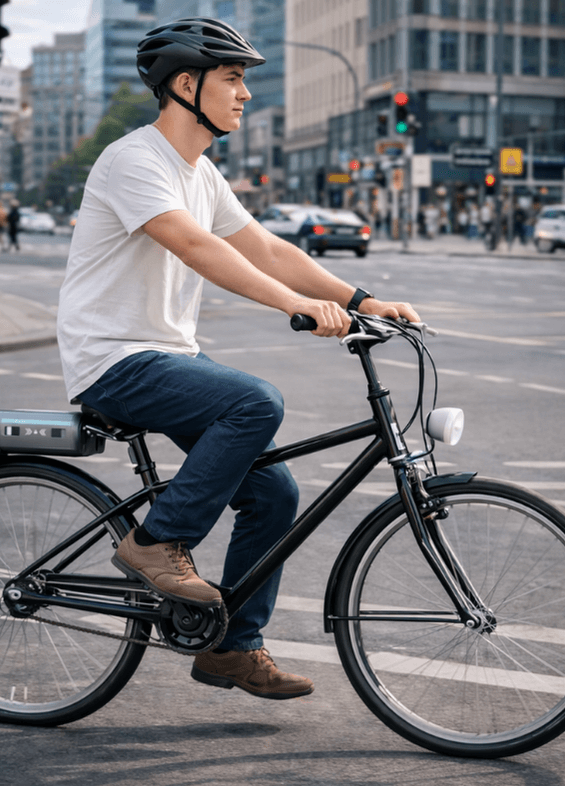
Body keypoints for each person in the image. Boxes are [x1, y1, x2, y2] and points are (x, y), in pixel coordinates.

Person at [57, 17, 419, 701]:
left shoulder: (201, 171)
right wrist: (293, 306)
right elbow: (198, 249)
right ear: (185, 84)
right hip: (113, 360)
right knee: (253, 400)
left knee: (272, 491)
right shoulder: (133, 159)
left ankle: (232, 646)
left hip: (165, 356)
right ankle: (154, 544)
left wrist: (362, 299)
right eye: (232, 78)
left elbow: (266, 247)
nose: (245, 93)